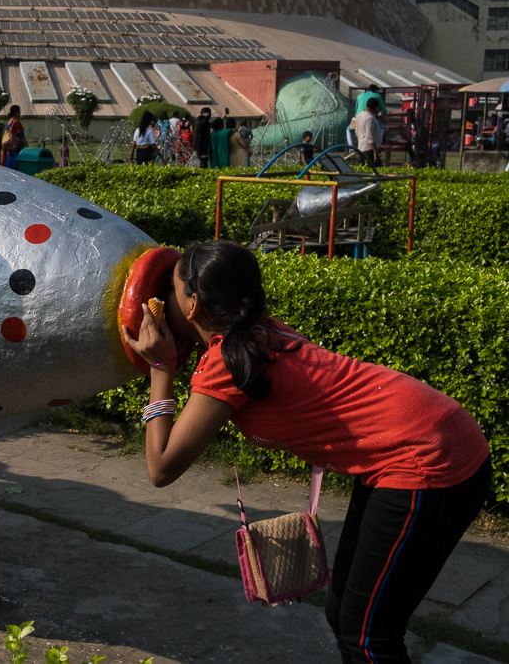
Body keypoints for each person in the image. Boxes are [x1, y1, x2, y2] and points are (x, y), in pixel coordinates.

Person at [122, 240, 491, 664]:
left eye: (170, 291)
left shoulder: (228, 359)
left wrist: (161, 368)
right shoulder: (261, 334)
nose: (163, 303)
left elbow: (161, 467)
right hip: (424, 441)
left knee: (368, 635)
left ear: (191, 306)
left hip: (430, 461)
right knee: (345, 615)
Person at [350, 84, 387, 148]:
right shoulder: (377, 96)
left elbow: (356, 108)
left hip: (357, 118)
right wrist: (381, 114)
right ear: (375, 90)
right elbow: (384, 110)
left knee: (349, 130)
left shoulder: (359, 96)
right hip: (369, 117)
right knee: (382, 128)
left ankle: (351, 148)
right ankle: (378, 145)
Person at [355, 97, 383, 166]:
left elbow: (356, 132)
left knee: (364, 170)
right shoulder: (370, 118)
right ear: (376, 107)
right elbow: (369, 136)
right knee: (376, 171)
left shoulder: (359, 115)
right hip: (369, 149)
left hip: (361, 147)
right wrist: (375, 151)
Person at [1, 104, 27, 169]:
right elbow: (22, 136)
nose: (20, 113)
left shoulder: (10, 121)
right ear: (16, 112)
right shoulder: (16, 122)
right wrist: (27, 147)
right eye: (19, 112)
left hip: (10, 148)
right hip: (16, 149)